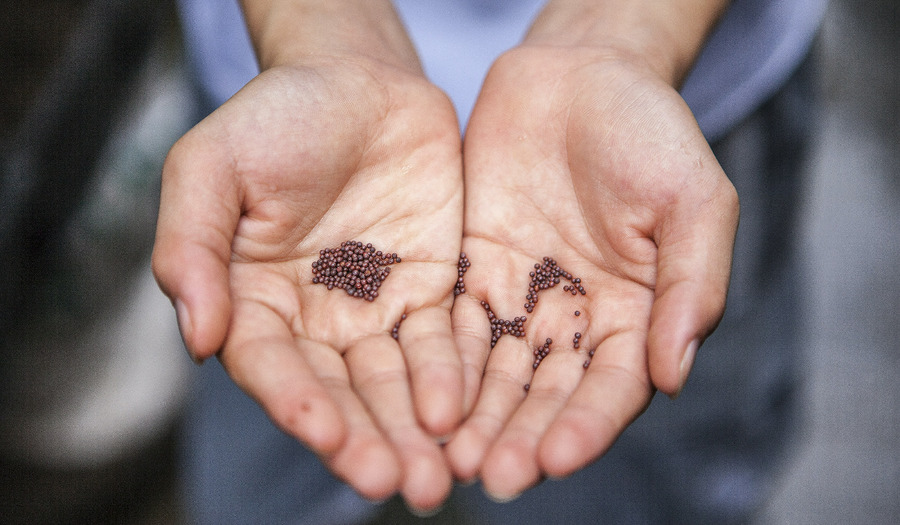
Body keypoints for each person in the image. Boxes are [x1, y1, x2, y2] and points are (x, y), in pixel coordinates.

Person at [153, 0, 827, 522]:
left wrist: (623, 29)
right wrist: (316, 26)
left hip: (652, 128)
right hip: (304, 148)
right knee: (281, 436)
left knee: (639, 484)